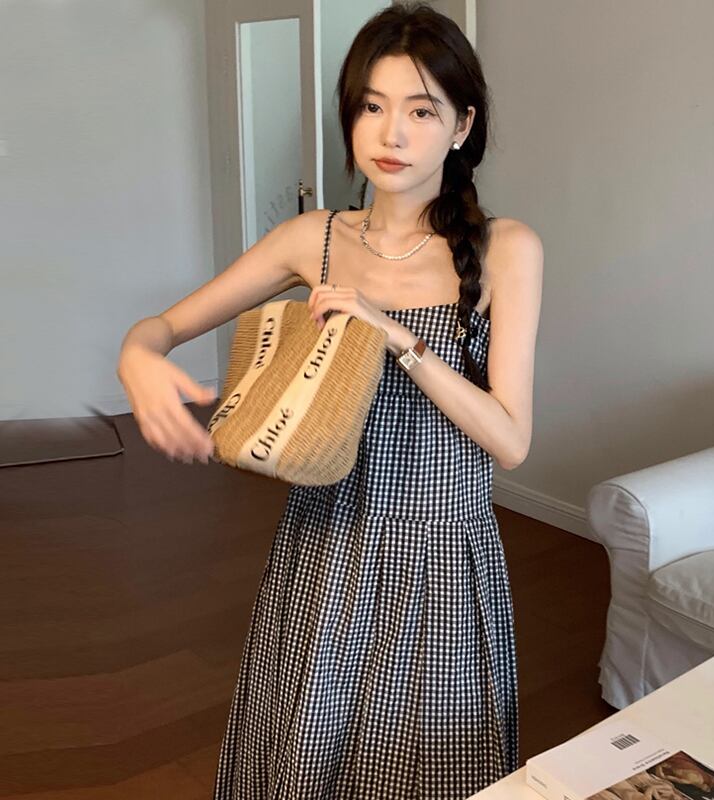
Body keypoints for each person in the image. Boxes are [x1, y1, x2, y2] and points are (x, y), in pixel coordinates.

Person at [117, 2, 542, 797]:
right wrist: (137, 355)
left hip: (440, 563)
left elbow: (511, 441)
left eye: (421, 111)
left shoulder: (506, 249)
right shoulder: (311, 239)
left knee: (426, 767)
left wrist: (398, 338)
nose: (392, 133)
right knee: (306, 756)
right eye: (372, 107)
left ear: (461, 125)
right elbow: (163, 325)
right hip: (325, 545)